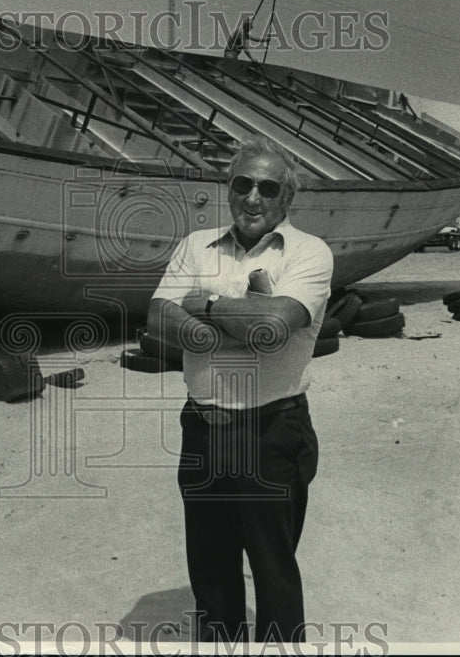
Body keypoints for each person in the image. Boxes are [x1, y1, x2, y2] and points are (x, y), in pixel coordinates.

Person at [147, 137, 333, 644]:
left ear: (286, 198)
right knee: (209, 566)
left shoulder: (309, 253)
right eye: (242, 184)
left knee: (273, 569)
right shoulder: (195, 245)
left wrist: (203, 306)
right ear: (229, 188)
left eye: (267, 188)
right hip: (203, 428)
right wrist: (226, 325)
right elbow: (157, 317)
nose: (253, 197)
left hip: (270, 431)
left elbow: (273, 327)